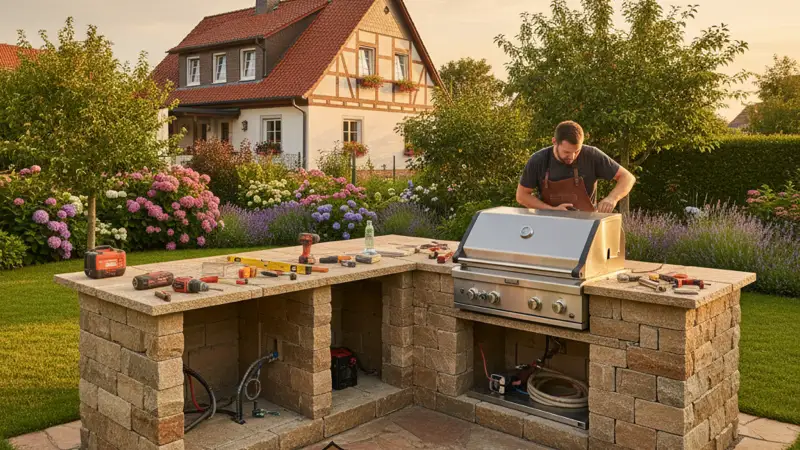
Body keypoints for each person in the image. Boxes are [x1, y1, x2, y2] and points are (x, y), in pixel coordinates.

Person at [516, 121, 636, 213]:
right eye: (567, 152)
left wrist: (612, 198)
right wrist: (552, 210)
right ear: (554, 142)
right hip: (549, 222)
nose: (572, 156)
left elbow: (627, 177)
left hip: (587, 224)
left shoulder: (592, 155)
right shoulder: (538, 160)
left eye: (577, 151)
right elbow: (522, 196)